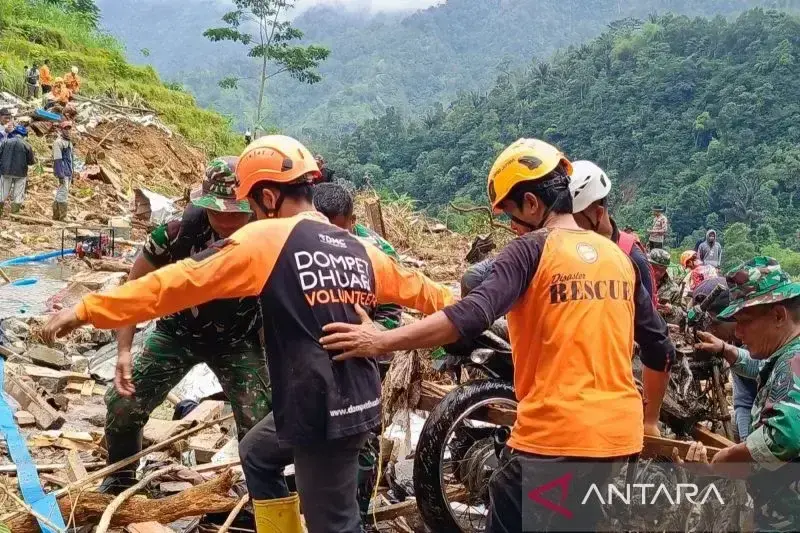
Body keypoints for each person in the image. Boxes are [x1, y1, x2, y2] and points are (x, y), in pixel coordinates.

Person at [40, 135, 454, 533]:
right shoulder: (359, 248)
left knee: (335, 523)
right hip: (354, 396)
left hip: (319, 406)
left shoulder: (266, 238)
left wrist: (88, 309)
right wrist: (484, 303)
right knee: (257, 454)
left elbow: (175, 283)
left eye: (252, 204)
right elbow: (424, 290)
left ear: (268, 197)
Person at [320, 138, 673, 533]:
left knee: (508, 500)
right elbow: (660, 348)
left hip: (555, 442)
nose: (510, 226)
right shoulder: (620, 259)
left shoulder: (530, 251)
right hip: (617, 438)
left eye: (510, 213)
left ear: (533, 204)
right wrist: (651, 421)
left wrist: (379, 340)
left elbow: (468, 315)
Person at [98, 157, 270, 494]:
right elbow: (133, 290)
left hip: (239, 339)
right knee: (122, 405)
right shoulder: (175, 236)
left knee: (261, 419)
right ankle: (121, 476)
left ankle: (262, 494)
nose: (227, 220)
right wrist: (123, 352)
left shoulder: (268, 239)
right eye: (217, 210)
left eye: (237, 211)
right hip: (177, 332)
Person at [684, 257, 800, 532]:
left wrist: (723, 462)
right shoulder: (784, 355)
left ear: (778, 316)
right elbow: (760, 367)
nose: (738, 332)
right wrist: (725, 349)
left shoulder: (794, 359)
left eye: (745, 321)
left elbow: (784, 437)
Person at [568, 160, 657, 305]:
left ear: (598, 214)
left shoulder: (632, 257)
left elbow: (647, 321)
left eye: (574, 219)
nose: (568, 225)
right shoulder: (569, 250)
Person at [691, 278, 758, 442]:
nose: (711, 331)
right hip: (755, 416)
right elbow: (743, 402)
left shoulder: (764, 342)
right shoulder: (737, 343)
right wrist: (744, 442)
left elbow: (765, 366)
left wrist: (725, 349)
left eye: (714, 324)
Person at [0, 124, 35, 216]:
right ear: (24, 135)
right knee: (18, 193)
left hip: (5, 171)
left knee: (2, 192)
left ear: (15, 133)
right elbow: (31, 162)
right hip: (21, 173)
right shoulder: (27, 145)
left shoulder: (5, 142)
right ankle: (15, 213)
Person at [648, 248, 683, 323]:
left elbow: (681, 314)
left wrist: (671, 309)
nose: (657, 272)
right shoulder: (640, 281)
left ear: (666, 268)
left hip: (660, 327)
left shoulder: (673, 289)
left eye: (662, 270)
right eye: (655, 267)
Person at [52, 121, 74, 221]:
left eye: (69, 128)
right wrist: (60, 174)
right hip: (63, 172)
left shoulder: (69, 142)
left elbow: (71, 159)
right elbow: (57, 159)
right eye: (66, 128)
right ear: (61, 130)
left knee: (61, 193)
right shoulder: (58, 142)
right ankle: (63, 217)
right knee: (63, 194)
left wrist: (72, 173)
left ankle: (56, 216)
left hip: (68, 172)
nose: (68, 130)